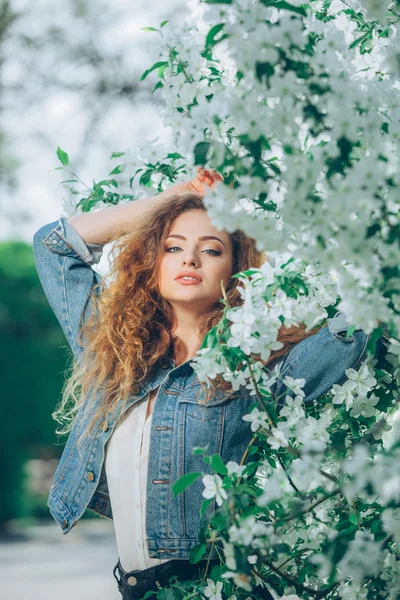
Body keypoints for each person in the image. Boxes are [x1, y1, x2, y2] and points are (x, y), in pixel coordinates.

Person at [33, 168, 369, 600]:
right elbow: (53, 246)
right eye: (173, 247)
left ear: (237, 272)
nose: (190, 259)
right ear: (154, 262)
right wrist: (173, 200)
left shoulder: (258, 367)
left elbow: (361, 318)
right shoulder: (113, 350)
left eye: (210, 250)